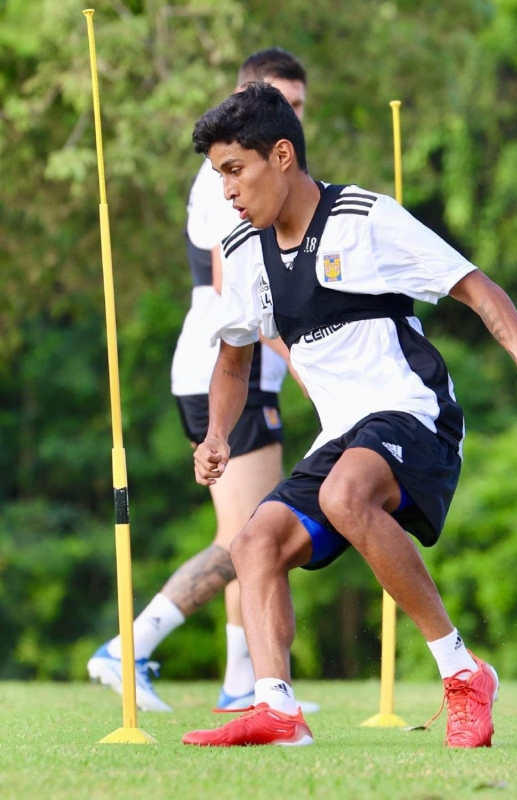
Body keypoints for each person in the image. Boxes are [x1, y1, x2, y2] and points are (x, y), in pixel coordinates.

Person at [180, 83, 517, 748]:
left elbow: (476, 286)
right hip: (342, 434)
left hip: (416, 414)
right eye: (218, 177)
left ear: (283, 155)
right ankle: (277, 709)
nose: (227, 191)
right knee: (252, 544)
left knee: (344, 493)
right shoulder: (244, 256)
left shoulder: (364, 218)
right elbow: (233, 362)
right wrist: (214, 434)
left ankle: (462, 674)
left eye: (235, 170)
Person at [88, 50, 316, 714]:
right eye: (283, 101)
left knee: (257, 531)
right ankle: (128, 647)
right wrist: (301, 356)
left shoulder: (275, 171)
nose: (294, 117)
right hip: (222, 367)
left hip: (250, 372)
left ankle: (243, 684)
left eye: (301, 105)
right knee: (248, 537)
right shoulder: (227, 175)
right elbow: (236, 289)